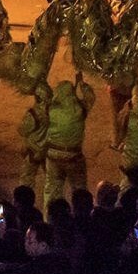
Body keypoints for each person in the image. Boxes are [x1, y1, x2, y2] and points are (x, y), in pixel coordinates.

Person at [42, 76, 94, 210]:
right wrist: (82, 85)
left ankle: (51, 218)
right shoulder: (80, 110)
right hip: (74, 156)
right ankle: (81, 216)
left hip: (53, 155)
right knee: (79, 190)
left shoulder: (50, 109)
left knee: (52, 191)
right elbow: (90, 98)